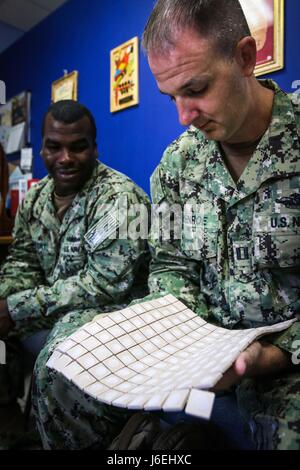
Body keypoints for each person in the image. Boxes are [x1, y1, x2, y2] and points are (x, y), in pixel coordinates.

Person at [32, 0, 299, 450]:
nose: (183, 115)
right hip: (196, 347)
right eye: (170, 97)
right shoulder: (178, 163)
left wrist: (273, 355)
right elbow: (170, 267)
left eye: (195, 89)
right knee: (58, 363)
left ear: (245, 57)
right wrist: (171, 337)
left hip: (282, 359)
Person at [0, 100, 150, 448]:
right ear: (42, 149)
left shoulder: (118, 201)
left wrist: (16, 308)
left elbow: (103, 284)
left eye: (77, 147)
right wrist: (4, 301)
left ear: (94, 148)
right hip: (59, 307)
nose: (65, 158)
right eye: (55, 147)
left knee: (59, 363)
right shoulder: (35, 198)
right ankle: (15, 431)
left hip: (113, 312)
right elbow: (22, 261)